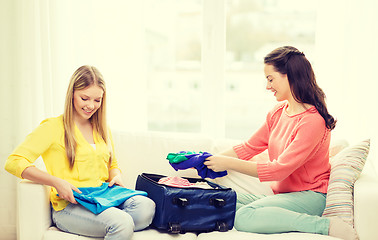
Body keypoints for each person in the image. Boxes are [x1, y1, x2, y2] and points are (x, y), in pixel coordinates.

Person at [204, 46, 358, 240]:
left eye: (270, 79)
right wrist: (206, 159)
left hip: (311, 197)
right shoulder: (278, 112)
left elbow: (279, 170)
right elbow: (249, 147)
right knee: (221, 201)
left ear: (290, 77)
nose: (268, 86)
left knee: (244, 217)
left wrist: (226, 164)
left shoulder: (312, 121)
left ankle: (323, 226)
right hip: (283, 197)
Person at [5, 65, 155, 240]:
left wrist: (116, 175)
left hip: (103, 197)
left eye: (97, 100)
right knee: (122, 223)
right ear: (72, 94)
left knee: (146, 208)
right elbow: (14, 161)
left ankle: (111, 223)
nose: (91, 106)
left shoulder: (102, 129)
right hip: (71, 205)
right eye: (84, 98)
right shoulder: (52, 127)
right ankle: (116, 225)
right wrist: (56, 182)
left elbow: (112, 164)